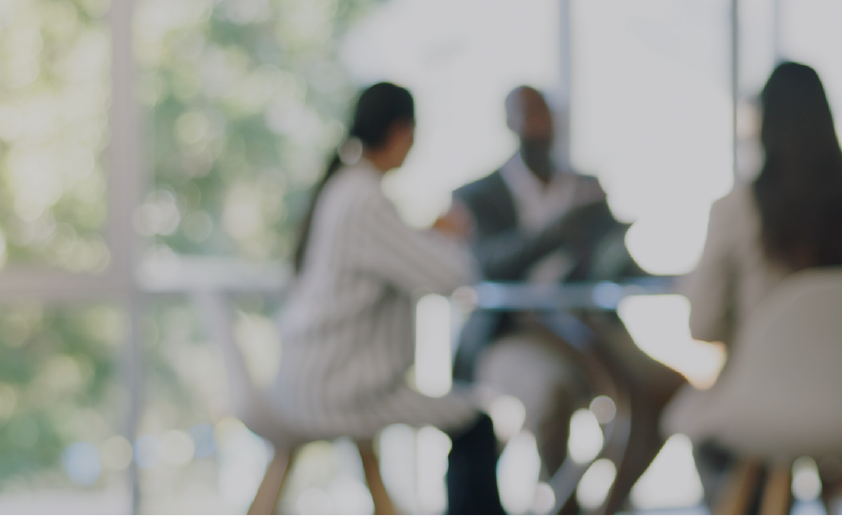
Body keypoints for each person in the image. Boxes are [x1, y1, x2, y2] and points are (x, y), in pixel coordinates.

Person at [668, 62, 842, 508]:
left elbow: (702, 325)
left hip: (768, 405)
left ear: (764, 124)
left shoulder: (738, 209)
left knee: (713, 436)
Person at [271, 82, 503, 514]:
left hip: (311, 377)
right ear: (400, 131)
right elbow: (451, 278)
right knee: (475, 422)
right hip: (341, 387)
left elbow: (389, 254)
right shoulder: (367, 200)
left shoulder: (344, 188)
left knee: (455, 423)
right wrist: (449, 238)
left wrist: (424, 234)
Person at [448, 86, 678, 513]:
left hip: (589, 327)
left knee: (666, 387)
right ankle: (561, 506)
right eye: (528, 116)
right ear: (509, 124)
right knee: (550, 392)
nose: (539, 126)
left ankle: (609, 504)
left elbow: (618, 263)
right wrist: (557, 231)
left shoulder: (585, 187)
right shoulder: (479, 195)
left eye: (545, 115)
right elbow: (488, 264)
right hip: (515, 332)